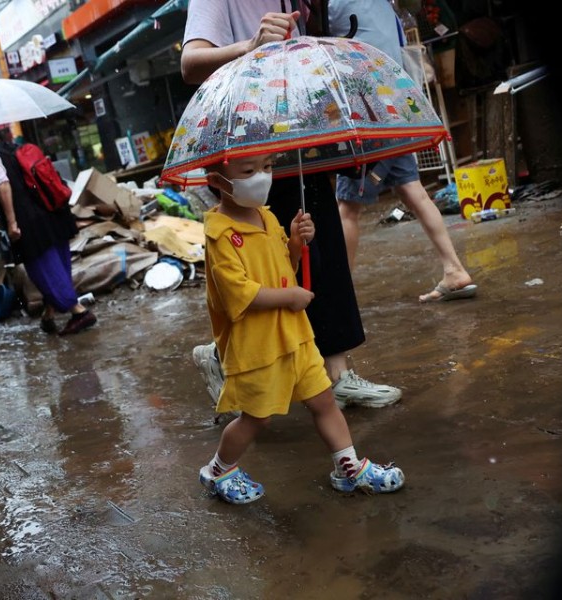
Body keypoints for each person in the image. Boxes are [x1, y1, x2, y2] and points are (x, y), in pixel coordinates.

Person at [182, 2, 402, 410]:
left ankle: (336, 373)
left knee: (320, 245)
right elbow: (190, 61)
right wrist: (250, 45)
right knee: (264, 264)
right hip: (248, 143)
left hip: (302, 131)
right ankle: (221, 355)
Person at [198, 151, 405, 503]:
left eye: (267, 167)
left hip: (295, 336)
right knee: (256, 419)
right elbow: (238, 296)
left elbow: (284, 267)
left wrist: (294, 244)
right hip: (258, 346)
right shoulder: (221, 236)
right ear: (218, 182)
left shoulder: (267, 217)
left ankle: (348, 467)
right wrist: (289, 297)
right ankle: (218, 470)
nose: (262, 177)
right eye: (249, 171)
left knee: (325, 400)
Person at [329, 0, 477, 303]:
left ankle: (339, 298)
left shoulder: (334, 4)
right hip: (394, 104)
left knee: (347, 205)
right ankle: (454, 269)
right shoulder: (384, 5)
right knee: (412, 189)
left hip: (366, 111)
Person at [0, 126, 96, 336]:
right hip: (53, 214)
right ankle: (48, 315)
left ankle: (79, 313)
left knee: (43, 271)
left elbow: (3, 186)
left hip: (29, 223)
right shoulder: (16, 148)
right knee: (58, 266)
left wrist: (12, 223)